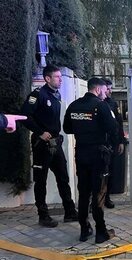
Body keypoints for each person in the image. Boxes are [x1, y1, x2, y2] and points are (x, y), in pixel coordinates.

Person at [21, 65, 78, 228]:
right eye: (57, 77)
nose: (60, 79)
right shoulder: (37, 95)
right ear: (47, 78)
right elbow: (25, 115)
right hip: (42, 144)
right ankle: (43, 215)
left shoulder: (56, 95)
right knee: (41, 181)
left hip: (55, 143)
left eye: (61, 76)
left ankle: (70, 212)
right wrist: (39, 132)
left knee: (63, 177)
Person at [63, 77, 117, 244]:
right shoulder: (101, 106)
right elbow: (112, 127)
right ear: (98, 89)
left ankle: (84, 228)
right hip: (98, 154)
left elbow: (67, 128)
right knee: (99, 192)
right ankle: (101, 231)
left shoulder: (74, 105)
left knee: (84, 191)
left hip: (81, 153)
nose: (106, 92)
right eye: (104, 90)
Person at [102, 78, 126, 208]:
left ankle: (107, 197)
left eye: (111, 88)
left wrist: (121, 141)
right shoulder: (97, 102)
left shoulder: (112, 103)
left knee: (110, 171)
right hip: (100, 144)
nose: (110, 91)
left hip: (112, 143)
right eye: (108, 88)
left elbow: (119, 123)